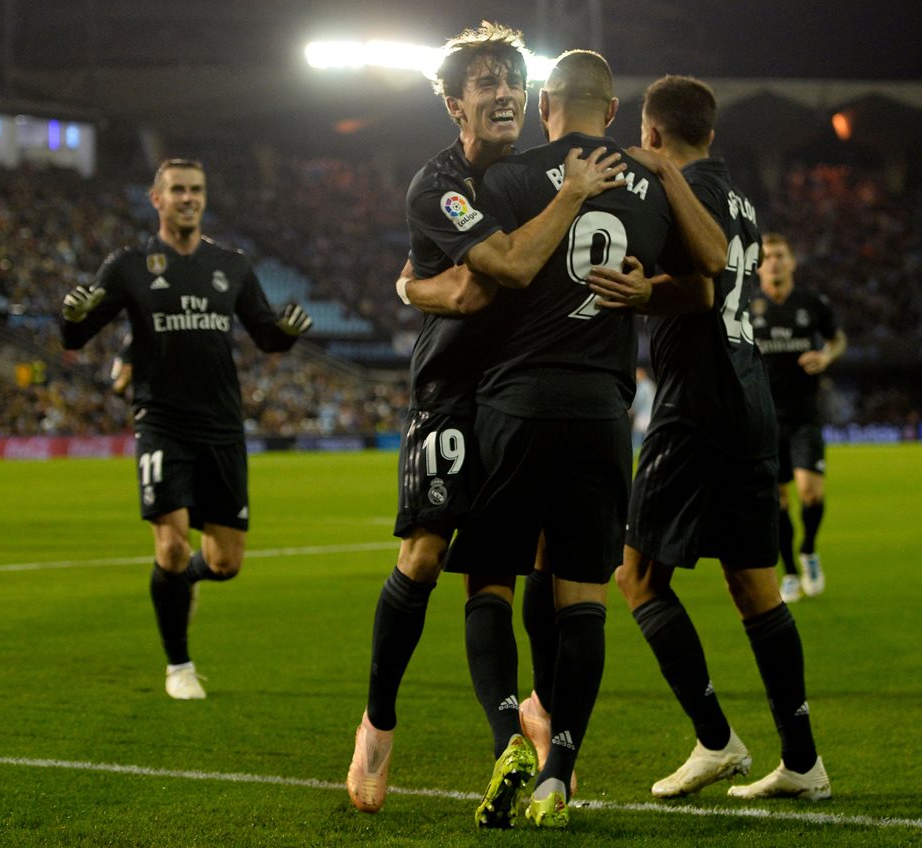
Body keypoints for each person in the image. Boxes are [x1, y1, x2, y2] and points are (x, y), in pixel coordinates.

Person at [345, 23, 628, 826]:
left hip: (526, 392)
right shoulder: (439, 184)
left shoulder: (539, 169)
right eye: (485, 83)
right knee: (427, 554)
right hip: (453, 388)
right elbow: (475, 291)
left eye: (512, 78)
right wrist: (418, 291)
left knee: (547, 556)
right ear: (454, 104)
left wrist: (416, 286)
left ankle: (534, 714)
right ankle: (378, 721)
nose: (503, 91)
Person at [436, 50, 722, 828]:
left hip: (515, 406)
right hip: (603, 413)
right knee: (582, 596)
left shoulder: (508, 179)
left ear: (546, 105)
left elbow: (477, 281)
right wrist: (647, 287)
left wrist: (408, 286)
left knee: (488, 580)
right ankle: (560, 772)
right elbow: (707, 278)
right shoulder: (651, 186)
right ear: (614, 105)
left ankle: (508, 739)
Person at [590, 75, 831, 802]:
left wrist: (641, 293)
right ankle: (802, 761)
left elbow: (700, 280)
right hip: (749, 395)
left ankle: (716, 740)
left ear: (651, 131)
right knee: (754, 586)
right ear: (713, 134)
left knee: (635, 577)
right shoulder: (741, 197)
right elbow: (716, 273)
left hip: (696, 401)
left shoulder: (670, 186)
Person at [59, 158, 313, 701]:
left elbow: (266, 336)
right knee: (170, 546)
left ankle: (189, 581)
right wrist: (73, 317)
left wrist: (287, 331)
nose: (188, 198)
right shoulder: (128, 265)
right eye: (177, 190)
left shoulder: (232, 265)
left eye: (196, 190)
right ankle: (179, 665)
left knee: (224, 562)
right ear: (157, 198)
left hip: (221, 425)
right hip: (162, 421)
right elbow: (77, 337)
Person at [751, 234, 846, 601]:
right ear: (758, 266)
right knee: (777, 503)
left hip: (805, 416)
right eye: (768, 257)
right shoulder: (747, 305)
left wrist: (826, 356)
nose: (773, 262)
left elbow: (837, 340)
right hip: (764, 419)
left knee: (810, 493)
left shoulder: (811, 303)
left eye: (780, 255)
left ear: (792, 261)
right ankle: (789, 570)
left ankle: (808, 551)